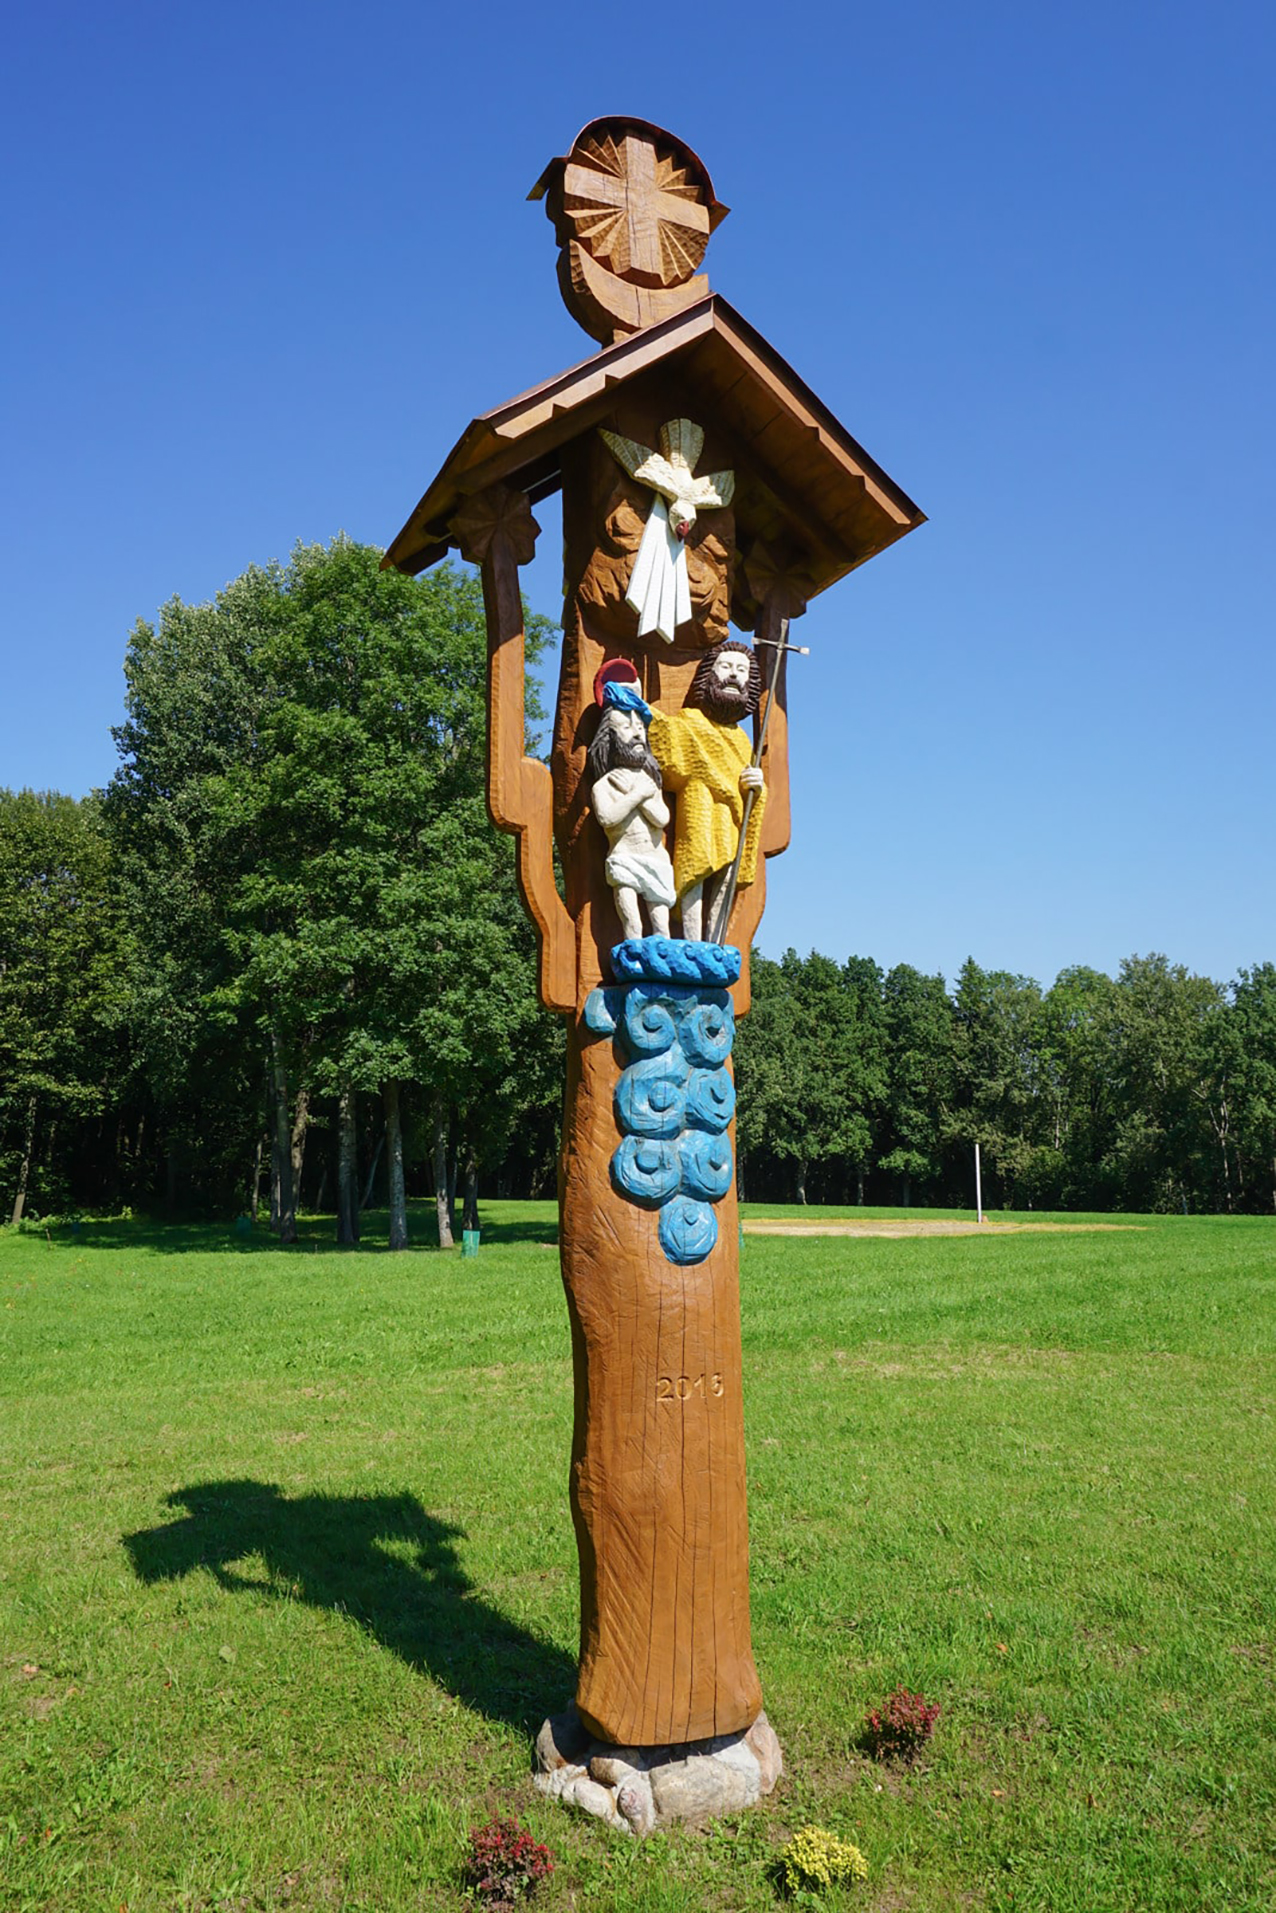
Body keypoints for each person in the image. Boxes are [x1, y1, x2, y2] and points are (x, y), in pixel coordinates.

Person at [647, 640, 766, 941]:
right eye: (726, 667)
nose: (734, 675)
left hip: (730, 821)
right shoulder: (690, 721)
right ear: (708, 676)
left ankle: (715, 940)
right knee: (695, 870)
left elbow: (748, 791)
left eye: (742, 670)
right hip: (698, 810)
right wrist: (638, 706)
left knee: (725, 878)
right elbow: (671, 747)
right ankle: (691, 939)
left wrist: (756, 785)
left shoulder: (742, 741)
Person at [587, 673, 677, 940]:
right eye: (627, 727)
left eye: (640, 727)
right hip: (624, 858)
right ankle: (631, 958)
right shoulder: (604, 784)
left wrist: (642, 794)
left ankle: (662, 961)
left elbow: (662, 818)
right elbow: (607, 818)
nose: (637, 733)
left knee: (662, 929)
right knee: (633, 925)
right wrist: (637, 794)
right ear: (610, 737)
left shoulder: (650, 781)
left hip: (656, 859)